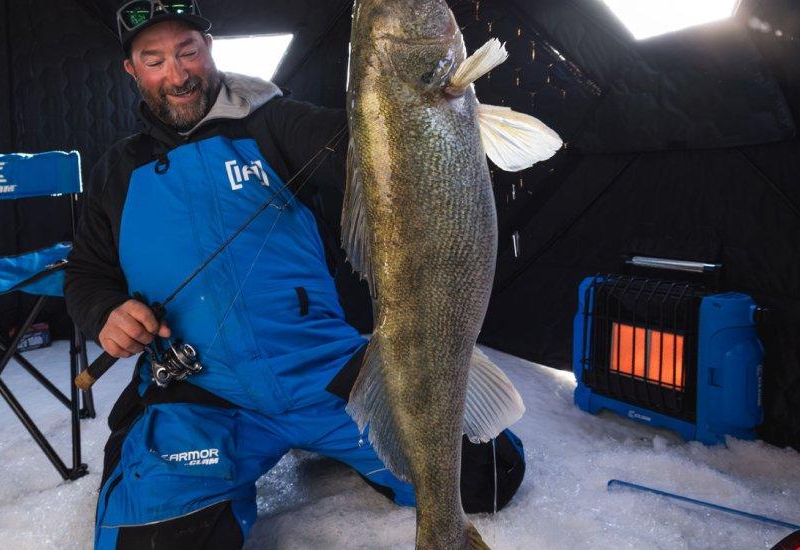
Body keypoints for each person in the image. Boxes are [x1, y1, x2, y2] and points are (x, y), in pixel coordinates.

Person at [64, 1, 526, 548]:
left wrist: (420, 103)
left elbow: (375, 148)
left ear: (208, 49)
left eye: (188, 52)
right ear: (132, 69)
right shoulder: (117, 171)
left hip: (319, 367)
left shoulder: (272, 121)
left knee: (487, 472)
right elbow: (86, 274)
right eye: (155, 60)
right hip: (202, 392)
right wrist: (107, 313)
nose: (178, 73)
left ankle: (331, 437)